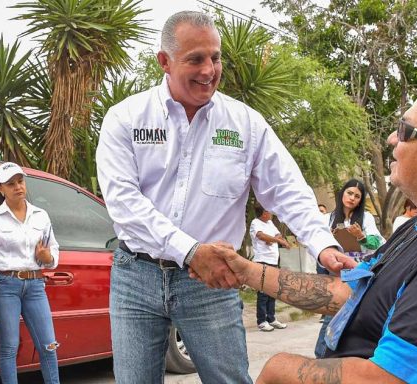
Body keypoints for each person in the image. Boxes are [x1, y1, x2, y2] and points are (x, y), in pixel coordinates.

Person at [96, 10, 353, 383]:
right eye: (195, 59)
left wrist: (322, 244)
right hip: (136, 275)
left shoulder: (245, 123)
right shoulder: (126, 118)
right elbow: (123, 203)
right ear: (164, 62)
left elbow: (287, 189)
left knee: (229, 379)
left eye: (215, 57)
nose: (209, 70)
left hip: (213, 281)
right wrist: (191, 251)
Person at [221, 80, 417, 383]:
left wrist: (280, 368)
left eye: (405, 132)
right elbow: (347, 294)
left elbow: (390, 378)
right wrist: (245, 271)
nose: (390, 139)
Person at [0, 162, 60, 384]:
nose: (18, 187)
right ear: (0, 188)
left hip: (35, 286)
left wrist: (48, 259)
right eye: (11, 184)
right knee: (9, 348)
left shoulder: (41, 216)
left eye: (20, 181)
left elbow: (53, 252)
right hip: (4, 286)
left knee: (49, 345)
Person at [314, 178, 385, 357]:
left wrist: (361, 237)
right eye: (349, 193)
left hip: (357, 270)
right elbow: (314, 241)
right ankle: (322, 355)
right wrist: (327, 239)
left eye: (357, 196)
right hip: (333, 270)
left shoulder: (365, 218)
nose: (352, 198)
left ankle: (337, 355)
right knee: (334, 311)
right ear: (342, 194)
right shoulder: (327, 218)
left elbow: (377, 242)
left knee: (349, 311)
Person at [250, 205, 290, 332]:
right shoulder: (255, 223)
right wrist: (276, 240)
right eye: (269, 211)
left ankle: (271, 318)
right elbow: (261, 236)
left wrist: (272, 239)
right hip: (262, 260)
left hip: (273, 260)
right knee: (263, 292)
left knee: (272, 290)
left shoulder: (270, 222)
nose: (271, 213)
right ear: (264, 213)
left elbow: (278, 234)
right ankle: (262, 321)